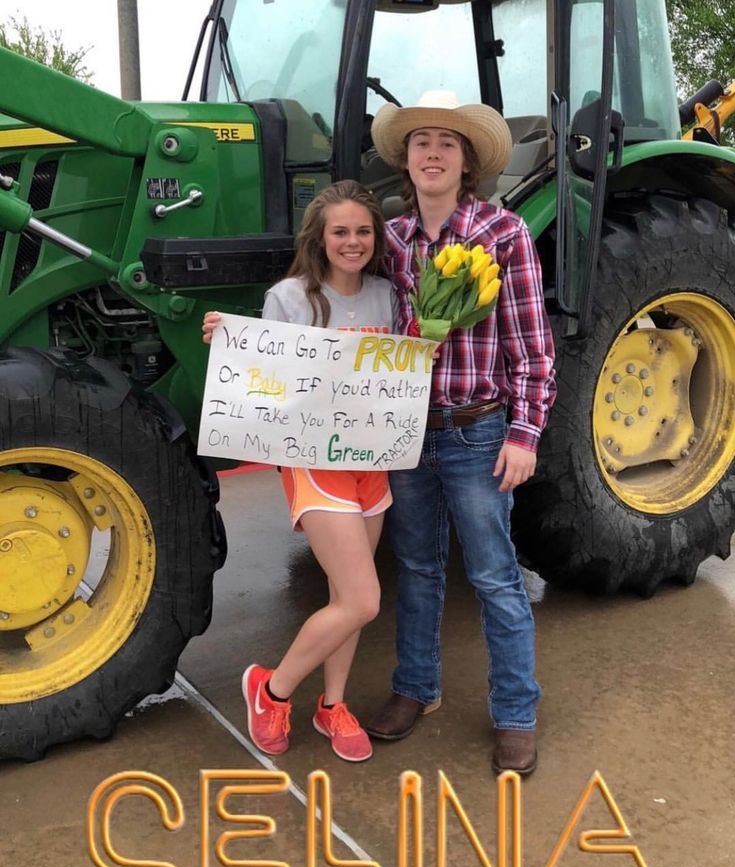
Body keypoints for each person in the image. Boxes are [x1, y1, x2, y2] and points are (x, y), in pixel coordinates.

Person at [365, 90, 557, 776]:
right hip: (409, 434)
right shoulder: (391, 243)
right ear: (407, 160)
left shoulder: (502, 235)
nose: (434, 153)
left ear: (467, 160)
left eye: (448, 142)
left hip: (479, 431)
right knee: (415, 567)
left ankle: (515, 712)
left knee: (494, 575)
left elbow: (533, 349)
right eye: (422, 143)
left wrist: (525, 433)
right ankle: (417, 686)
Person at [202, 180, 397, 762]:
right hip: (315, 462)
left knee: (345, 594)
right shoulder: (289, 297)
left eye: (363, 231)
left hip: (372, 459)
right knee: (363, 599)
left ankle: (332, 706)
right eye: (340, 231)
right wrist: (232, 342)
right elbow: (270, 376)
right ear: (320, 237)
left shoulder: (389, 295)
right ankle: (273, 688)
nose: (352, 241)